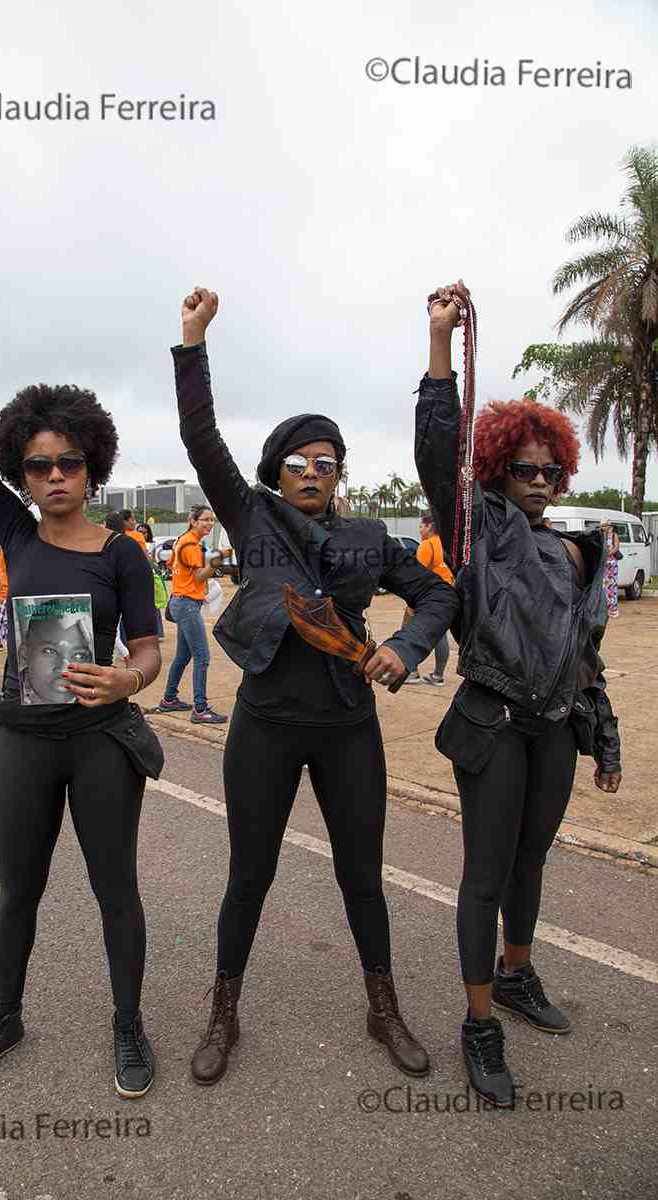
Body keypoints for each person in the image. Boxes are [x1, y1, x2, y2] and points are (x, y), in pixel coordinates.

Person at [171, 287, 458, 1086]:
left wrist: (404, 646)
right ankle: (223, 1011)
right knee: (249, 876)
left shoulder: (371, 539)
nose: (310, 474)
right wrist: (192, 343)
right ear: (277, 473)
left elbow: (439, 594)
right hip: (264, 723)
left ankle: (384, 1008)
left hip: (346, 727)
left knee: (361, 875)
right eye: (297, 464)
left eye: (325, 464)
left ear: (339, 474)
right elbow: (201, 438)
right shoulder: (250, 519)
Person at [0, 281, 162, 1100]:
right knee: (16, 891)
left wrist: (130, 675)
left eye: (69, 462)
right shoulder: (14, 530)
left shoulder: (124, 552)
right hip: (24, 739)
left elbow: (152, 648)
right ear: (23, 471)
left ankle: (127, 1023)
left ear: (93, 466)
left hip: (100, 740)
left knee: (114, 890)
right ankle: (4, 1017)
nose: (55, 474)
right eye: (39, 464)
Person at [415, 280, 622, 1108]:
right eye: (523, 468)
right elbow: (440, 448)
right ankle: (477, 1025)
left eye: (551, 469)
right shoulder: (480, 530)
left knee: (533, 860)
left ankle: (516, 975)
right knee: (485, 873)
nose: (539, 479)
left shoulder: (576, 554)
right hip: (493, 723)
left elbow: (586, 657)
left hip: (554, 729)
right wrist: (439, 344)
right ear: (501, 468)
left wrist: (602, 738)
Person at [157, 504, 229, 723]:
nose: (209, 523)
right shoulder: (191, 544)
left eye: (211, 520)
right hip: (187, 604)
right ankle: (200, 709)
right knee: (202, 657)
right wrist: (219, 558)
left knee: (183, 656)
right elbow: (199, 577)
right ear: (193, 521)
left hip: (181, 601)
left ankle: (169, 699)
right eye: (205, 519)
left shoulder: (183, 540)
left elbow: (172, 564)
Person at [403, 511, 454, 686]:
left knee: (409, 631)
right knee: (440, 635)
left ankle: (412, 671)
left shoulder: (426, 546)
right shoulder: (447, 545)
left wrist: (411, 604)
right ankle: (438, 675)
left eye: (421, 526)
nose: (420, 530)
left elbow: (417, 576)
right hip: (448, 594)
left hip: (427, 597)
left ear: (429, 526)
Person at [599, 520, 621, 618]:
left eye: (604, 526)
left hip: (611, 563)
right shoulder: (601, 535)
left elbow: (616, 547)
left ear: (609, 526)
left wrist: (607, 554)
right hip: (603, 563)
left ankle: (613, 610)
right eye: (602, 526)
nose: (603, 528)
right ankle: (604, 609)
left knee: (612, 586)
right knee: (603, 586)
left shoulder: (613, 536)